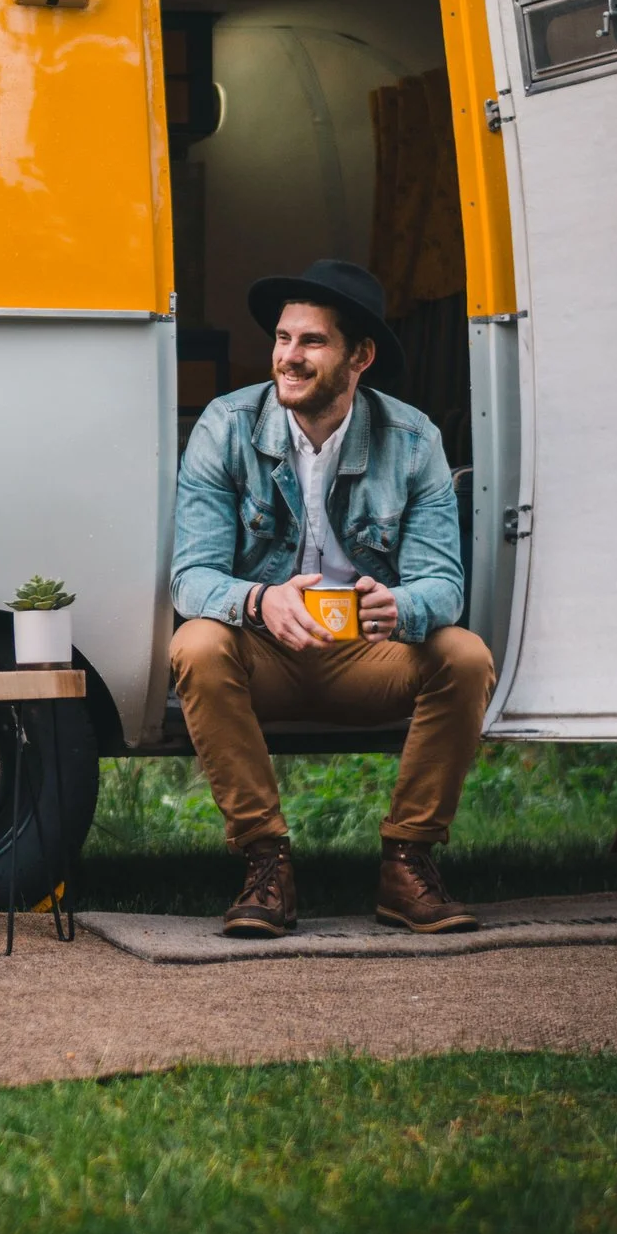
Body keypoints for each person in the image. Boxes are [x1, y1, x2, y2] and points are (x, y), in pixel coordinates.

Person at [169, 259, 494, 937]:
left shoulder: (412, 440)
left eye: (311, 341)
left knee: (463, 656)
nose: (288, 356)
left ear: (360, 357)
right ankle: (266, 865)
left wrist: (399, 606)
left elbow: (445, 586)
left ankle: (407, 862)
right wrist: (260, 602)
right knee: (196, 643)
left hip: (367, 657)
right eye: (283, 339)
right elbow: (191, 577)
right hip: (266, 656)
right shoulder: (226, 427)